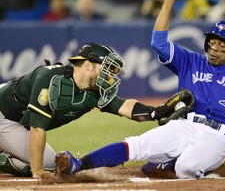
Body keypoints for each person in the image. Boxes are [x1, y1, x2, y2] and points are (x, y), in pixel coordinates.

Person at [54, 0, 225, 179]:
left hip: (218, 136)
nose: (214, 48)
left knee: (186, 168)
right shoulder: (191, 61)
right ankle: (78, 164)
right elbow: (159, 43)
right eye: (212, 42)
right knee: (137, 144)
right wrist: (169, 0)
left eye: (222, 45)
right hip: (184, 124)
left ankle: (170, 162)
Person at [0, 42, 168, 179]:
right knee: (44, 166)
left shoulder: (93, 92)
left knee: (52, 165)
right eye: (106, 69)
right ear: (88, 65)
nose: (110, 76)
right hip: (3, 115)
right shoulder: (51, 80)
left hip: (14, 118)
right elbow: (37, 128)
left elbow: (123, 106)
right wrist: (37, 172)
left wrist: (156, 112)